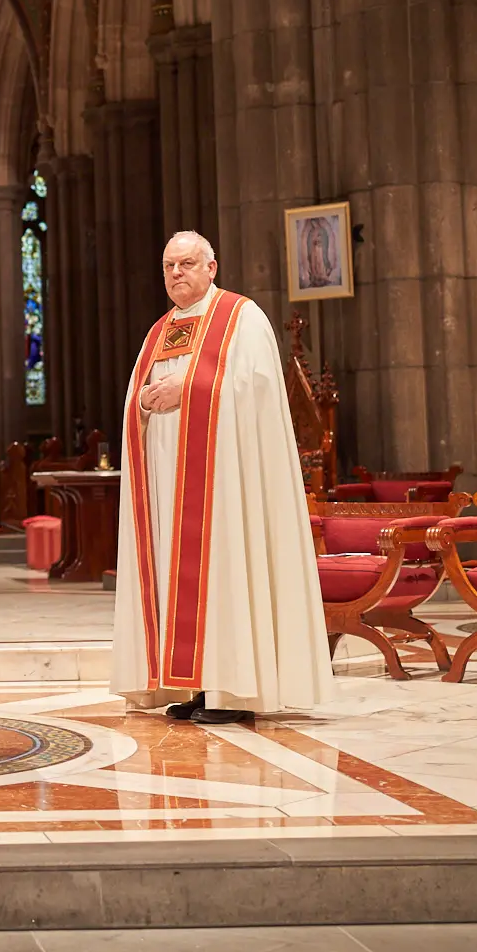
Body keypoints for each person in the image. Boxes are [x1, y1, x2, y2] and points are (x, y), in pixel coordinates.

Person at [112, 231, 333, 724]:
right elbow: (139, 393)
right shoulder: (160, 330)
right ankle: (193, 683)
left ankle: (233, 689)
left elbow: (255, 389)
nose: (176, 274)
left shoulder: (241, 317)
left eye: (187, 264)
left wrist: (186, 391)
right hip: (169, 487)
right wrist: (145, 401)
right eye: (169, 266)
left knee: (225, 572)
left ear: (212, 267)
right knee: (176, 577)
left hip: (224, 485)